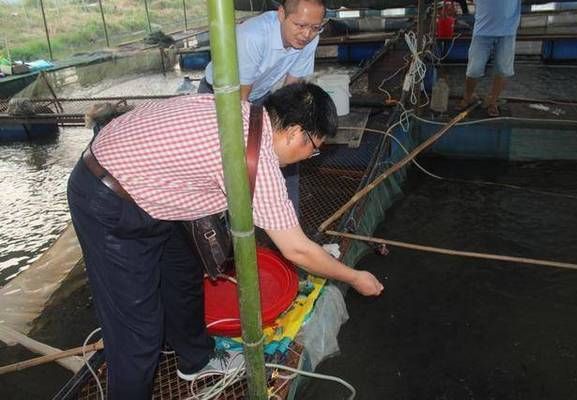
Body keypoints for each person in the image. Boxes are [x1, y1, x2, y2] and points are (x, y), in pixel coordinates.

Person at [67, 82, 384, 399]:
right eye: (313, 147)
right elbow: (297, 249)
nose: (309, 156)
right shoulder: (255, 157)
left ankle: (195, 359)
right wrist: (354, 277)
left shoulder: (243, 114)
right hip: (108, 198)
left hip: (150, 189)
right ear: (294, 133)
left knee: (182, 273)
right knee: (138, 336)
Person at [200, 0, 327, 214]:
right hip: (222, 97)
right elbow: (239, 105)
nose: (307, 34)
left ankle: (286, 218)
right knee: (228, 160)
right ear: (281, 14)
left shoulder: (310, 40)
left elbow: (292, 91)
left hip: (259, 95)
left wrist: (286, 132)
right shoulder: (253, 36)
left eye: (315, 28)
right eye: (300, 25)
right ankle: (223, 225)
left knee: (289, 152)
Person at [458, 0, 521, 117]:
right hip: (482, 30)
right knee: (474, 69)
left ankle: (493, 101)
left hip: (508, 31)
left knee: (503, 69)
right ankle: (468, 96)